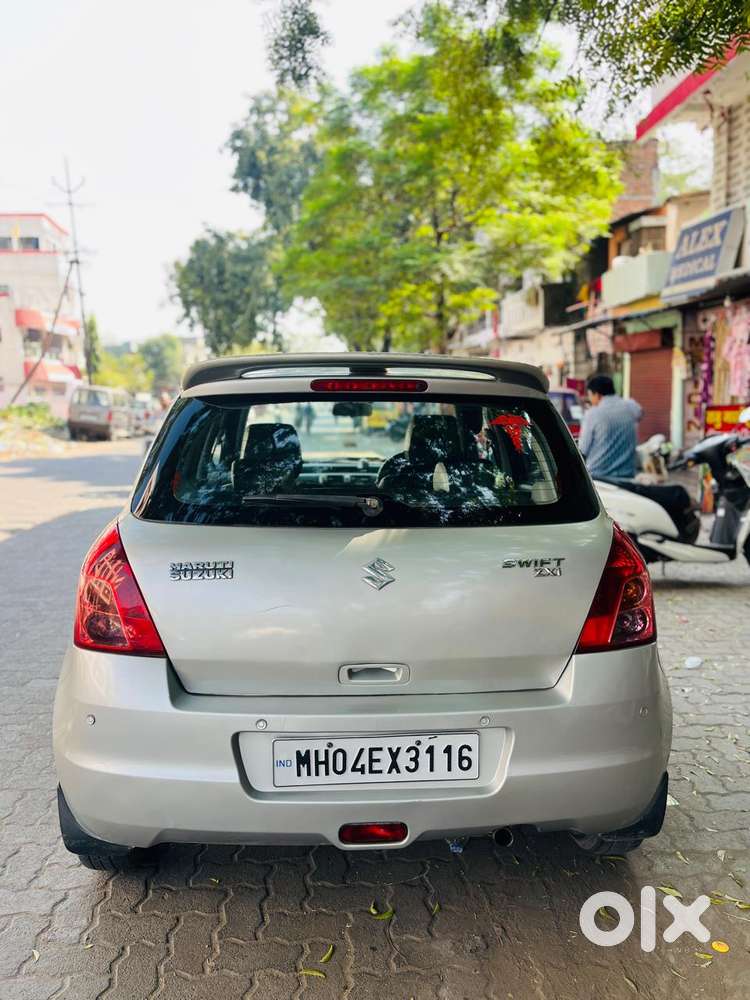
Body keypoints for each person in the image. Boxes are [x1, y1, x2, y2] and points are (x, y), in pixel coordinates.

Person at [578, 373, 642, 480]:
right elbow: (640, 413)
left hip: (599, 478)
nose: (590, 400)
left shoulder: (592, 414)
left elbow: (583, 449)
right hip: (627, 478)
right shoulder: (631, 407)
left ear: (597, 395)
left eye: (590, 395)